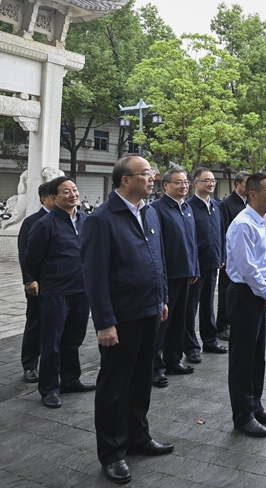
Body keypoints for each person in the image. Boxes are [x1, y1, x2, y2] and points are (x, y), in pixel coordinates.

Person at [81, 155, 172, 485]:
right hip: (120, 318)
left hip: (149, 310)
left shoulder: (149, 212)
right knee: (114, 386)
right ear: (125, 180)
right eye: (145, 174)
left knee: (141, 380)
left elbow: (156, 259)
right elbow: (95, 276)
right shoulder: (102, 220)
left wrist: (161, 298)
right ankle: (111, 453)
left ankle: (138, 437)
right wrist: (104, 322)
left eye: (151, 173)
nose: (152, 178)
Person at [24, 176, 94, 408]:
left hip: (82, 290)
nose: (73, 195)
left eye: (74, 190)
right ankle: (49, 388)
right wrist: (32, 280)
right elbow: (31, 258)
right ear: (53, 198)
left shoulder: (86, 221)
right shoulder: (44, 224)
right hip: (56, 292)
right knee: (51, 343)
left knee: (73, 339)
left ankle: (71, 380)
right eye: (66, 192)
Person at [225, 172, 266, 437]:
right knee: (242, 357)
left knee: (257, 355)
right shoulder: (242, 224)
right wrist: (264, 291)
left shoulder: (262, 220)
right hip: (244, 294)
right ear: (252, 194)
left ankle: (254, 404)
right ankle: (242, 415)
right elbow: (247, 267)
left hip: (258, 294)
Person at [150, 166, 200, 387]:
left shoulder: (187, 208)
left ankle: (173, 359)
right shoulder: (157, 209)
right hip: (167, 275)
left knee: (180, 320)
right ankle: (155, 367)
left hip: (186, 273)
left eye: (186, 182)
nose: (184, 186)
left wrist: (194, 267)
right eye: (178, 182)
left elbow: (192, 242)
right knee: (163, 324)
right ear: (166, 185)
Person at [184, 168, 227, 362]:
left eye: (213, 180)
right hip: (195, 266)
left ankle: (210, 341)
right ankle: (191, 346)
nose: (211, 184)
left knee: (208, 304)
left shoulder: (217, 206)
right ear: (195, 183)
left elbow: (221, 233)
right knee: (190, 307)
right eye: (206, 180)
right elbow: (187, 239)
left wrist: (222, 255)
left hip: (212, 263)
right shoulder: (188, 207)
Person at [17, 181, 53, 383]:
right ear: (45, 199)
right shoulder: (32, 222)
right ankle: (30, 364)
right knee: (36, 323)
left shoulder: (71, 219)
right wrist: (29, 280)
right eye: (55, 195)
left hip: (63, 284)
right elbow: (25, 254)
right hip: (39, 284)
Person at [217, 170, 249, 342]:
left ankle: (235, 322)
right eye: (246, 183)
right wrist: (223, 256)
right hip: (230, 257)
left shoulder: (248, 203)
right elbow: (223, 231)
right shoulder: (227, 204)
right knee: (225, 291)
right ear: (238, 184)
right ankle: (222, 325)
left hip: (244, 256)